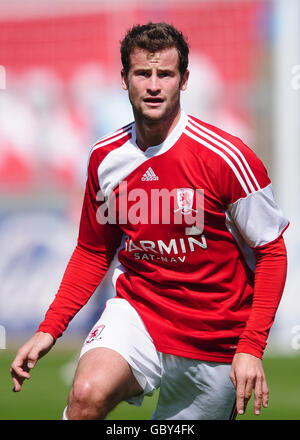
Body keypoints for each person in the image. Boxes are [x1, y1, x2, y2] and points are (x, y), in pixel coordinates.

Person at [10, 22, 289, 420]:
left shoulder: (227, 157)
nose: (154, 85)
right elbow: (93, 251)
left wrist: (251, 346)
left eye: (165, 74)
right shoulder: (105, 159)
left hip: (214, 338)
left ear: (184, 80)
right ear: (124, 79)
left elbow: (272, 252)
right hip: (138, 314)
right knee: (86, 395)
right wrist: (49, 328)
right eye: (143, 73)